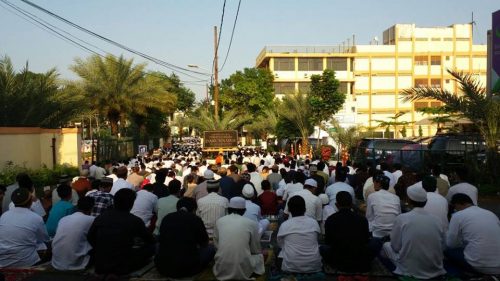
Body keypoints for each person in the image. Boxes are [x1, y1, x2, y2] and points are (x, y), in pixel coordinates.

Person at [382, 185, 446, 279]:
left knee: (386, 245)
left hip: (410, 269)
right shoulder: (437, 220)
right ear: (425, 202)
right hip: (435, 268)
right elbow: (443, 246)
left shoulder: (402, 218)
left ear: (408, 200)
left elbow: (395, 247)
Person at [88, 189, 155, 275]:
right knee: (152, 247)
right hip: (122, 265)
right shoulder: (134, 220)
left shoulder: (102, 216)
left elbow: (90, 237)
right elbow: (150, 240)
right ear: (131, 204)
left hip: (101, 263)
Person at [155, 197, 215, 278]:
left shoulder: (167, 217)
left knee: (158, 246)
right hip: (188, 268)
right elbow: (204, 242)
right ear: (194, 209)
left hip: (163, 268)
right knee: (211, 248)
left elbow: (161, 239)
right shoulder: (195, 219)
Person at [445, 193, 500, 275]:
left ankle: (469, 274)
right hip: (498, 265)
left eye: (455, 207)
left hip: (478, 265)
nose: (455, 209)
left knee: (448, 251)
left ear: (458, 204)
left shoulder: (457, 216)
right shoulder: (491, 214)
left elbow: (451, 244)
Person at [213, 197, 265, 280]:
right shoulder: (251, 223)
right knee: (260, 256)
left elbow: (216, 245)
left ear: (229, 209)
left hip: (222, 266)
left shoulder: (219, 221)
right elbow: (255, 250)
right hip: (243, 264)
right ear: (244, 210)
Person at [322, 191, 372, 273]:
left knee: (322, 248)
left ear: (337, 205)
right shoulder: (362, 219)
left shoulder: (331, 219)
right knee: (376, 242)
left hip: (337, 261)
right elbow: (366, 240)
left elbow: (328, 242)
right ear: (351, 204)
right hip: (359, 259)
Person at [0, 188, 50, 267]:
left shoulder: (4, 216)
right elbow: (44, 239)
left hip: (3, 261)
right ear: (30, 202)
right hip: (26, 261)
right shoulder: (35, 217)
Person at [277, 195, 322, 273]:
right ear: (305, 209)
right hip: (314, 266)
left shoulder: (285, 225)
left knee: (278, 251)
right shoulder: (314, 223)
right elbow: (316, 240)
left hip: (290, 267)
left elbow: (280, 244)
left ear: (289, 210)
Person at [51, 197, 95, 270]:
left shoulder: (63, 219)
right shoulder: (91, 220)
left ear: (77, 206)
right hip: (76, 265)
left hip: (56, 262)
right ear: (92, 208)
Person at [366, 174, 401, 239]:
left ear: (379, 184)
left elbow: (369, 217)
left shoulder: (372, 196)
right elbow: (399, 215)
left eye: (375, 182)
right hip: (393, 232)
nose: (374, 183)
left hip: (377, 233)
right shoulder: (396, 198)